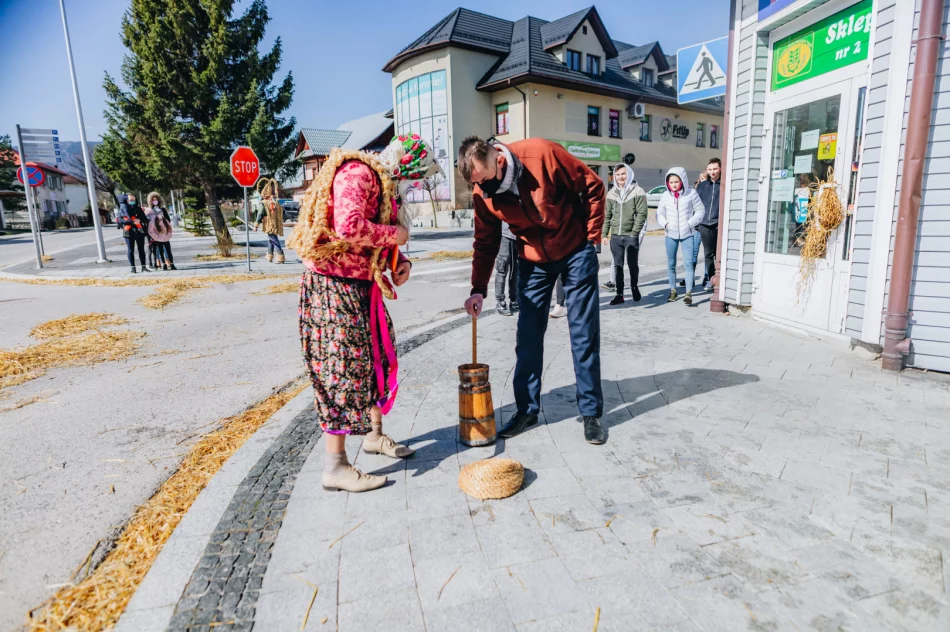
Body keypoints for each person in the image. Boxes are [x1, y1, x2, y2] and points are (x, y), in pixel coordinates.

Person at [287, 134, 439, 493]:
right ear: (405, 166)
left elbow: (374, 243)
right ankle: (335, 466)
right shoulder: (359, 174)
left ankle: (373, 436)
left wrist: (401, 263)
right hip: (331, 287)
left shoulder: (383, 184)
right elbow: (349, 227)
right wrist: (395, 235)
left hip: (358, 286)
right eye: (414, 178)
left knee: (374, 362)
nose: (412, 187)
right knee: (341, 369)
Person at [458, 136, 607, 445]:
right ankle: (527, 410)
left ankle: (591, 412)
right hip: (533, 260)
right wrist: (478, 289)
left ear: (498, 161)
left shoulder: (541, 154)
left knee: (583, 333)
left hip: (574, 250)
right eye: (476, 184)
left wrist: (592, 239)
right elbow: (486, 241)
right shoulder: (480, 191)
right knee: (527, 336)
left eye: (485, 182)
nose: (483, 190)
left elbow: (593, 186)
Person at [657, 167, 705, 305]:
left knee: (688, 263)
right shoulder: (665, 196)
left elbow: (700, 211)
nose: (673, 184)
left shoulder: (691, 193)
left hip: (687, 234)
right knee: (671, 264)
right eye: (671, 182)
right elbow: (659, 213)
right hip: (670, 234)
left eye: (676, 181)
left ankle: (688, 293)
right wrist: (665, 224)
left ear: (682, 180)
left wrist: (690, 223)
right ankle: (673, 290)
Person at [603, 163, 648, 305]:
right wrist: (605, 233)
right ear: (614, 177)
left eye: (623, 174)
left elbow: (642, 213)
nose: (621, 177)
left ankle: (634, 286)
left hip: (631, 236)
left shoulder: (638, 191)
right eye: (618, 175)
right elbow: (607, 215)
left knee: (632, 264)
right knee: (618, 265)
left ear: (629, 174)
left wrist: (635, 232)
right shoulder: (611, 193)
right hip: (616, 236)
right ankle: (619, 294)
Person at [695, 158, 721, 291]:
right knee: (708, 254)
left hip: (718, 223)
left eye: (715, 169)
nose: (712, 172)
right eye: (710, 169)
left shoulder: (724, 184)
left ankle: (721, 279)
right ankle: (711, 279)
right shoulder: (702, 185)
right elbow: (696, 204)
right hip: (705, 224)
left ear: (720, 169)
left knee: (719, 253)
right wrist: (697, 222)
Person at [253, 179, 285, 263]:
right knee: (271, 239)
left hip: (269, 225)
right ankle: (269, 255)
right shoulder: (276, 203)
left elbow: (260, 214)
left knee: (273, 239)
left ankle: (280, 256)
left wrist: (256, 225)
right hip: (276, 224)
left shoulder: (263, 203)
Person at [117, 193, 150, 273]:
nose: (132, 201)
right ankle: (133, 267)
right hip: (128, 231)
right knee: (130, 250)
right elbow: (120, 221)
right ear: (127, 200)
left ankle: (143, 267)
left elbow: (144, 218)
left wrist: (139, 220)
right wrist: (131, 221)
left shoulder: (138, 209)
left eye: (134, 200)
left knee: (141, 249)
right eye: (131, 200)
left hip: (139, 231)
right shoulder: (122, 208)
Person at [146, 192, 177, 270]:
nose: (155, 201)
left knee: (167, 250)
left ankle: (169, 263)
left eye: (156, 200)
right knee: (156, 250)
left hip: (164, 233)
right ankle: (158, 263)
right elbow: (148, 221)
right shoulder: (150, 211)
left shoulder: (162, 209)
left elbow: (168, 220)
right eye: (153, 200)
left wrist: (163, 223)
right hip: (155, 234)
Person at [494, 221, 519, 316]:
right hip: (505, 236)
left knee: (515, 270)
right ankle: (500, 302)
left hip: (518, 236)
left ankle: (514, 300)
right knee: (502, 269)